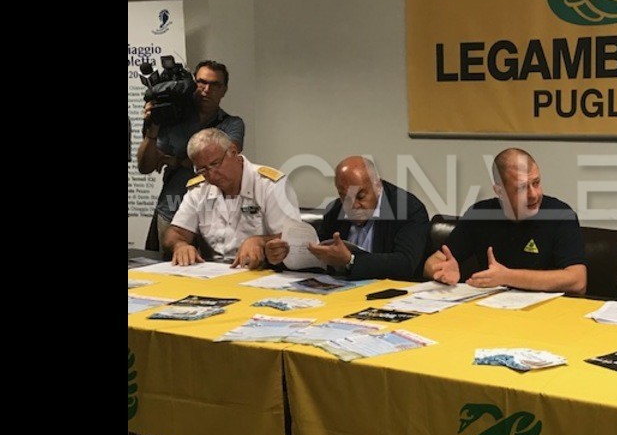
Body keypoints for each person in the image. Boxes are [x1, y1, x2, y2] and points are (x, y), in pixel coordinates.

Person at [422, 148, 586, 294]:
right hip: (491, 308)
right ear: (500, 192)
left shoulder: (559, 215)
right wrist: (441, 271)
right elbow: (432, 262)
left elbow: (578, 281)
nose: (534, 194)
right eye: (522, 188)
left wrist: (507, 277)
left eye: (536, 183)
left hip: (547, 310)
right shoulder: (481, 214)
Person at [265, 156, 430, 280]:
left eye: (361, 196)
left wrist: (350, 260)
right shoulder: (335, 211)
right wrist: (281, 257)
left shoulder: (408, 209)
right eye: (345, 197)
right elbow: (318, 262)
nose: (353, 206)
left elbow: (405, 264)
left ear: (377, 186)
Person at [137, 60, 245, 246]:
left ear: (224, 90)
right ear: (193, 83)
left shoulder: (232, 124)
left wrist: (175, 161)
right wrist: (152, 127)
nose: (206, 89)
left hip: (214, 215)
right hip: (172, 208)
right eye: (201, 82)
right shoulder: (171, 118)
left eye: (215, 85)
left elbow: (224, 161)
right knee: (170, 262)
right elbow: (145, 167)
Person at [163, 128, 301, 268]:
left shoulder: (270, 185)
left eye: (215, 164)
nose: (212, 175)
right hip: (213, 272)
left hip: (261, 271)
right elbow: (174, 233)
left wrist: (260, 241)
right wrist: (180, 245)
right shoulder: (199, 189)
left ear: (233, 152)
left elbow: (294, 240)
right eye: (202, 170)